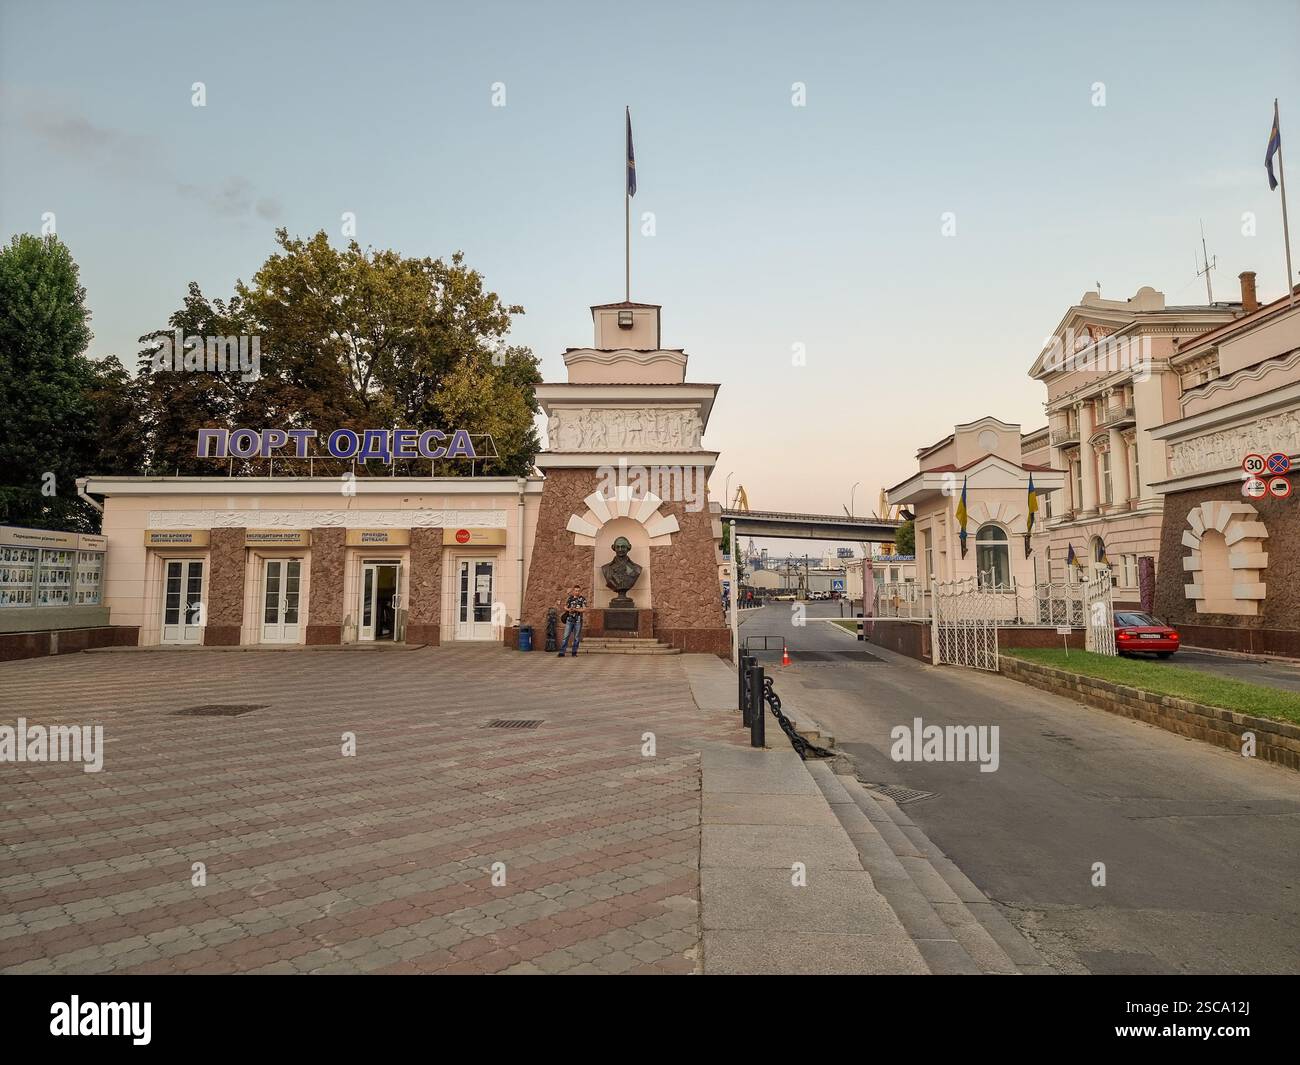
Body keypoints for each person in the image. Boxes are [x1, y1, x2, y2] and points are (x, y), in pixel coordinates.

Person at [557, 584, 586, 657]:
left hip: (578, 621)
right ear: (573, 591)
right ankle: (562, 652)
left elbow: (584, 609)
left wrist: (576, 609)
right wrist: (569, 609)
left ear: (580, 591)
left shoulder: (582, 599)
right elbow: (565, 607)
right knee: (565, 636)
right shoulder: (570, 598)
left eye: (578, 591)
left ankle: (574, 652)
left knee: (576, 638)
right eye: (576, 591)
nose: (577, 592)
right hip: (569, 620)